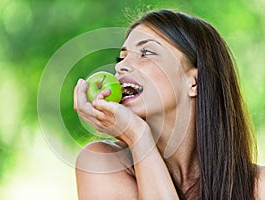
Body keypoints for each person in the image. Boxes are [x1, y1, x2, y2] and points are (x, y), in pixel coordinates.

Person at [73, 9, 265, 199]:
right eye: (122, 57)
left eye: (146, 53)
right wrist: (138, 137)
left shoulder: (258, 187)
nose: (120, 66)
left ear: (194, 82)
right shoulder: (101, 163)